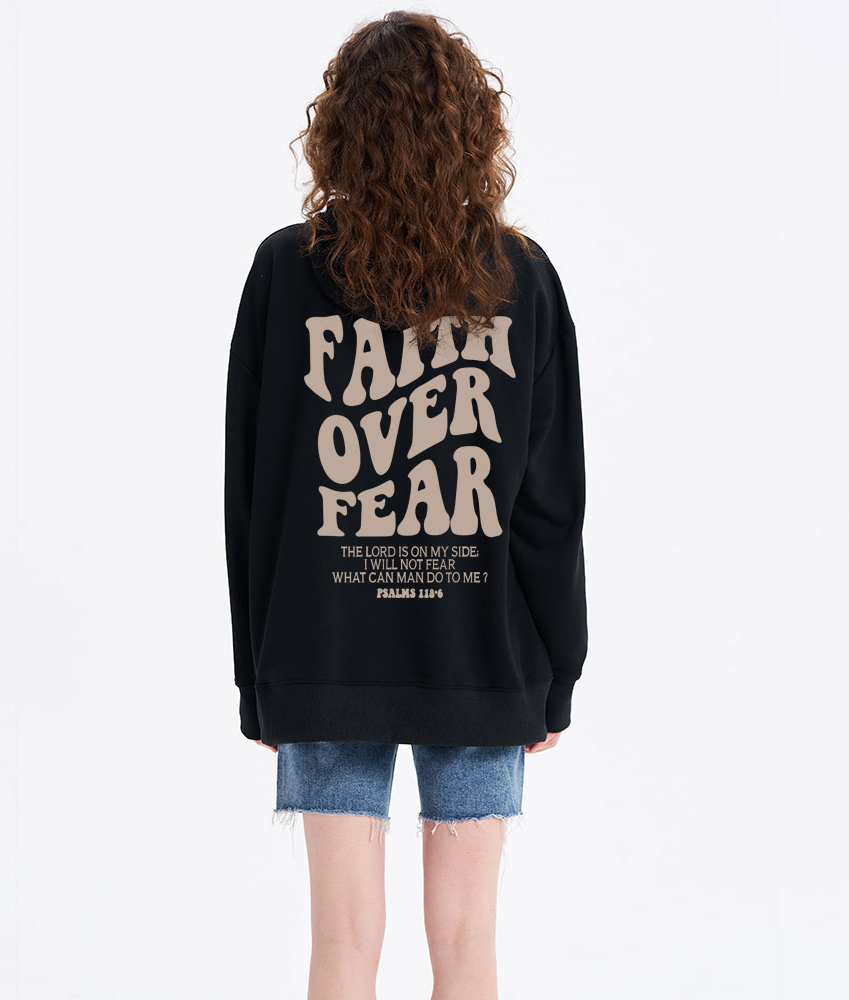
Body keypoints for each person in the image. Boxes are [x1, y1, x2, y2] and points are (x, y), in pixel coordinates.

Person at [224, 11, 588, 999]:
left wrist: (259, 681)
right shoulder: (521, 278)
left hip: (323, 654)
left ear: (337, 129)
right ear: (472, 128)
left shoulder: (284, 271)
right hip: (481, 659)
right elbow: (549, 505)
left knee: (340, 945)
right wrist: (556, 674)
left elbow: (252, 498)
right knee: (468, 944)